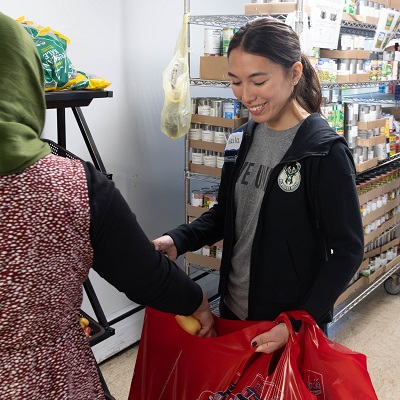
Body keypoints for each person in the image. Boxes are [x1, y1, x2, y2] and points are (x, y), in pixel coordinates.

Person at [0, 12, 213, 400]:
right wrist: (196, 300)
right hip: (53, 379)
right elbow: (143, 276)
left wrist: (179, 238)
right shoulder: (73, 185)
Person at [153, 18, 364, 354]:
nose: (246, 95)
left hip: (288, 322)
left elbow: (348, 250)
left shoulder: (323, 151)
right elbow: (227, 214)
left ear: (294, 74)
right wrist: (178, 239)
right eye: (235, 82)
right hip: (235, 308)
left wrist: (297, 321)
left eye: (259, 81)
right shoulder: (241, 138)